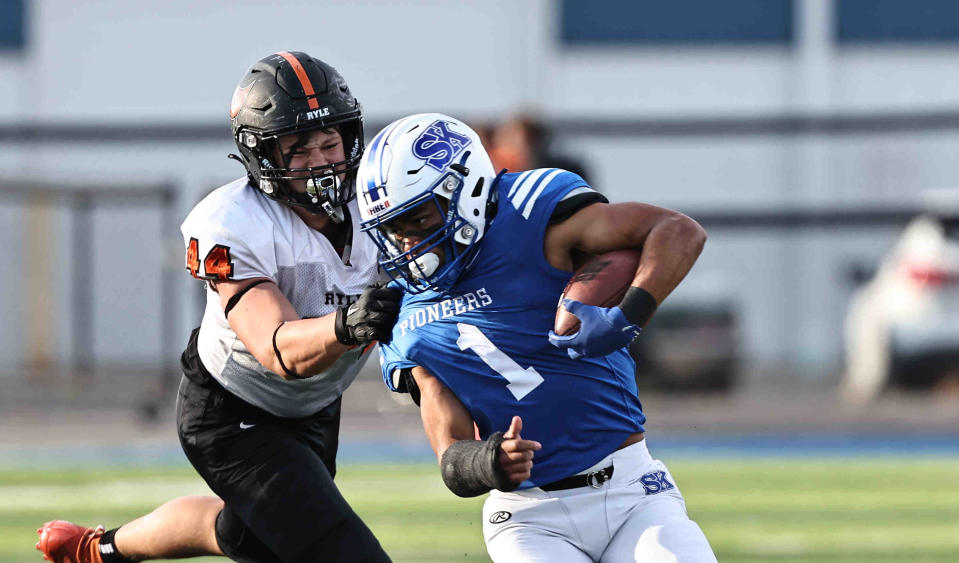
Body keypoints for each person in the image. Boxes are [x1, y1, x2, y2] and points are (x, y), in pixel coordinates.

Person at [35, 51, 398, 563]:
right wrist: (348, 325)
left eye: (328, 141)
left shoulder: (383, 204)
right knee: (338, 549)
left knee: (245, 536)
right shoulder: (233, 220)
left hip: (313, 406)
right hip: (233, 411)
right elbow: (278, 349)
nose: (319, 160)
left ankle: (100, 551)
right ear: (262, 154)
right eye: (297, 148)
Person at [357, 113, 716, 562]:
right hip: (528, 517)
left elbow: (677, 231)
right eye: (393, 228)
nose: (408, 243)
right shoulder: (401, 308)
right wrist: (489, 461)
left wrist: (628, 315)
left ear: (463, 189)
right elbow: (450, 455)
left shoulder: (532, 212)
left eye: (418, 219)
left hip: (633, 489)